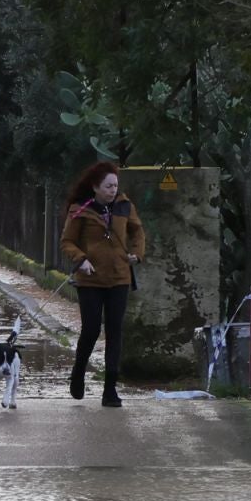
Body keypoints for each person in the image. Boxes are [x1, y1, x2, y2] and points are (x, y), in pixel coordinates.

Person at [59, 161, 147, 408]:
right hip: (90, 280)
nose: (112, 190)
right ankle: (78, 372)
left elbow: (138, 232)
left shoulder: (124, 206)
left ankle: (110, 389)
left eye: (115, 186)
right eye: (108, 186)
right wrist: (81, 259)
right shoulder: (80, 209)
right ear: (95, 187)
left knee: (115, 331)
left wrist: (136, 254)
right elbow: (67, 242)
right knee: (91, 330)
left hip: (119, 277)